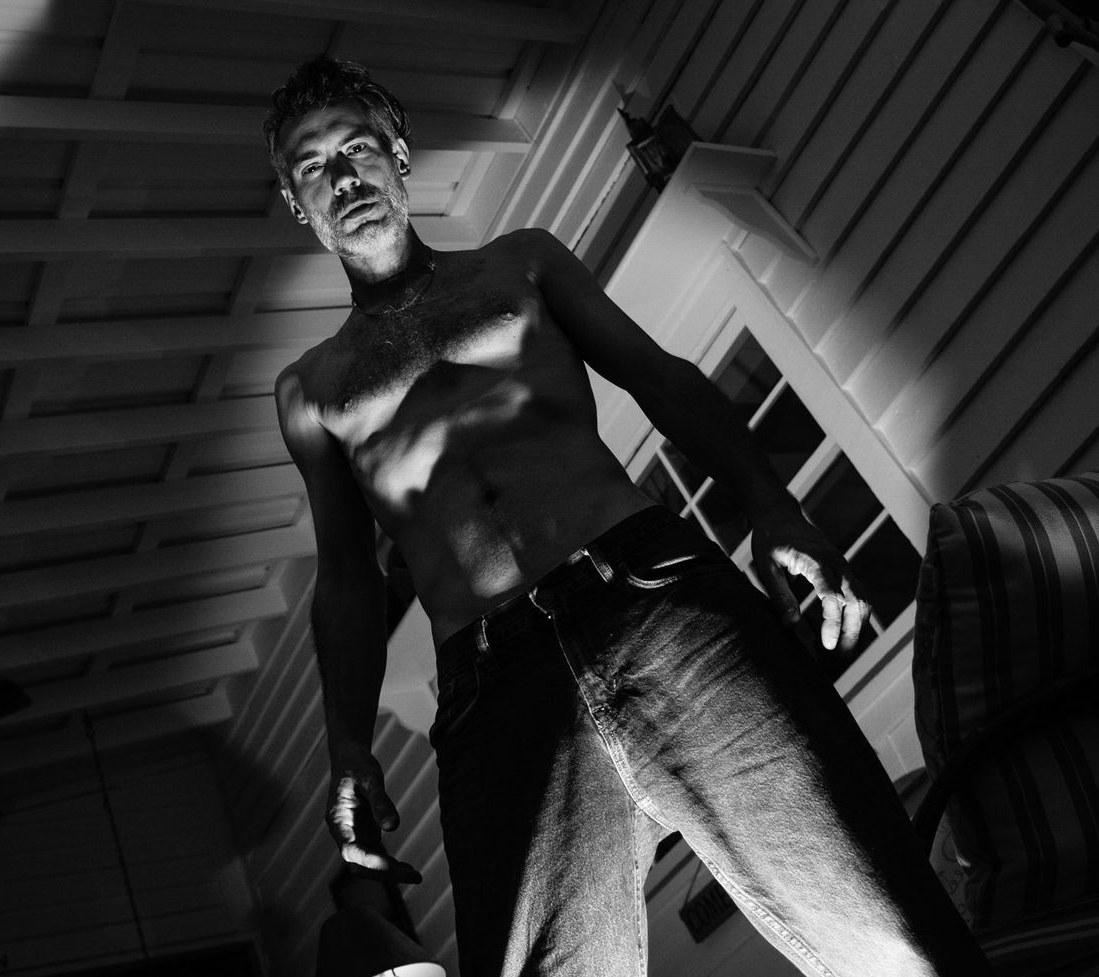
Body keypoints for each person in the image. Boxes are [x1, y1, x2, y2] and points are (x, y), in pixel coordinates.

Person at [266, 57, 989, 977]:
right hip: (494, 691)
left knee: (875, 910)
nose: (342, 177)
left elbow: (658, 378)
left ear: (400, 156)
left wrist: (770, 503)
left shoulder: (520, 265)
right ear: (298, 204)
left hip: (656, 600)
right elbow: (345, 578)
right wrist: (347, 743)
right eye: (312, 167)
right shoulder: (313, 391)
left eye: (358, 148)